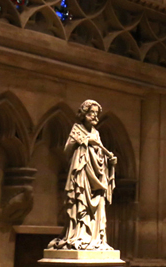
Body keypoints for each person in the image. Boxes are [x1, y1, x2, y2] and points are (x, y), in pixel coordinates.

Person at [49, 99, 117, 250]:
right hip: (82, 174)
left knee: (98, 204)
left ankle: (94, 238)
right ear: (84, 114)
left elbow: (100, 153)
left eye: (96, 113)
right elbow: (67, 151)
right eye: (91, 112)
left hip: (96, 177)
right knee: (80, 203)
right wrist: (85, 141)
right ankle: (77, 235)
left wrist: (110, 161)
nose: (94, 116)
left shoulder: (96, 133)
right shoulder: (77, 129)